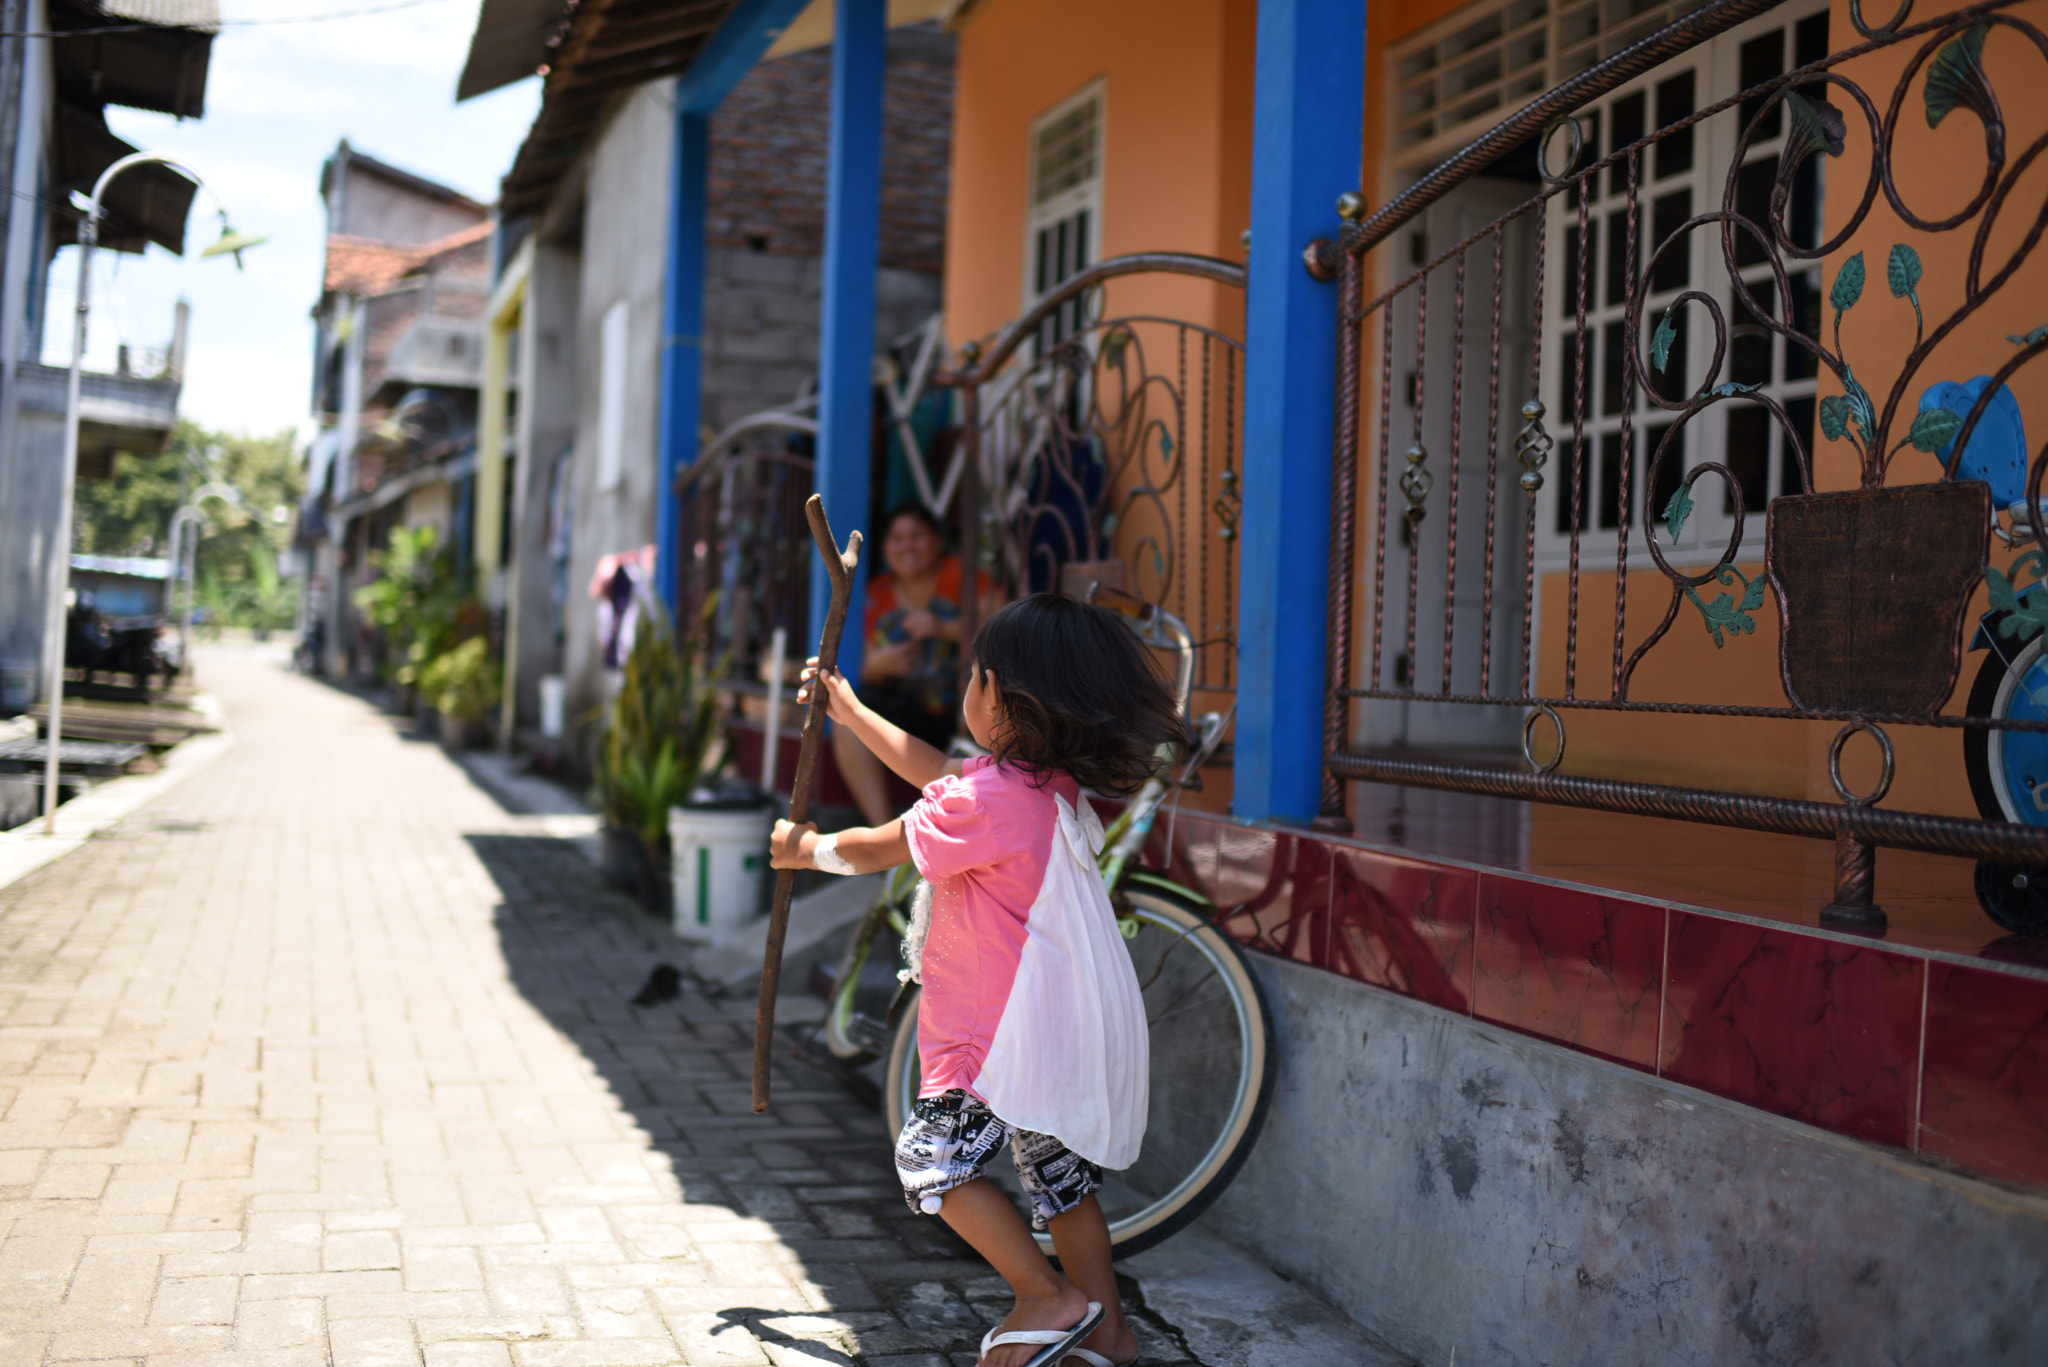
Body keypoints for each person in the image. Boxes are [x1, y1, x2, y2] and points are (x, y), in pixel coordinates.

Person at [771, 595, 1182, 1367]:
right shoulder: (1039, 785)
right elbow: (938, 775)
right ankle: (1109, 1334)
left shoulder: (990, 799)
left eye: (969, 677)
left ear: (994, 692)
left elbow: (876, 848)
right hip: (1065, 1019)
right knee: (1061, 1177)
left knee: (931, 1159)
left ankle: (1045, 1296)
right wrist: (853, 713)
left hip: (1000, 1033)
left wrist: (808, 847)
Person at [832, 503, 1001, 825]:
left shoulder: (963, 577)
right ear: (884, 548)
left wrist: (945, 629)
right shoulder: (877, 593)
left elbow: (1008, 631)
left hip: (967, 709)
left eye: (916, 536)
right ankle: (881, 829)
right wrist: (882, 665)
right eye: (896, 538)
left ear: (937, 542)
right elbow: (868, 670)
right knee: (847, 721)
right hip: (910, 708)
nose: (906, 546)